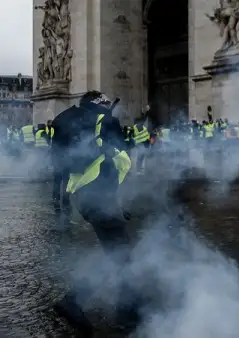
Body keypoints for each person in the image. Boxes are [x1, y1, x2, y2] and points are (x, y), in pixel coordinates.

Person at [51, 90, 139, 334]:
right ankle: (76, 301)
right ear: (101, 105)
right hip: (100, 197)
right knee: (121, 254)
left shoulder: (64, 119)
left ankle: (130, 309)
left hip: (84, 195)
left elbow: (58, 162)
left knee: (119, 252)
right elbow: (121, 158)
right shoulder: (105, 121)